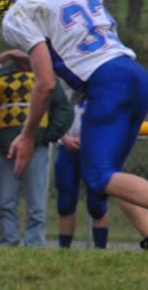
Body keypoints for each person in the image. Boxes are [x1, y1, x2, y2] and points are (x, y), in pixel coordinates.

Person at [0, 0, 148, 249]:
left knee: (99, 176)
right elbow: (80, 41)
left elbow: (45, 84)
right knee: (111, 174)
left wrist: (27, 136)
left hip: (106, 84)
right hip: (133, 72)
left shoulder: (23, 10)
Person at [0, 49, 73, 246]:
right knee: (6, 203)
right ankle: (9, 242)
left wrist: (45, 136)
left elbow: (64, 111)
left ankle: (35, 243)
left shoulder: (45, 77)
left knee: (36, 203)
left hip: (37, 149)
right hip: (6, 149)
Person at [55, 101, 109, 249]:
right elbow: (53, 110)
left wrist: (91, 140)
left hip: (96, 147)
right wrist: (65, 138)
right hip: (67, 146)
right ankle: (64, 251)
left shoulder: (103, 84)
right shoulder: (64, 84)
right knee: (65, 203)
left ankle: (100, 252)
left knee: (97, 204)